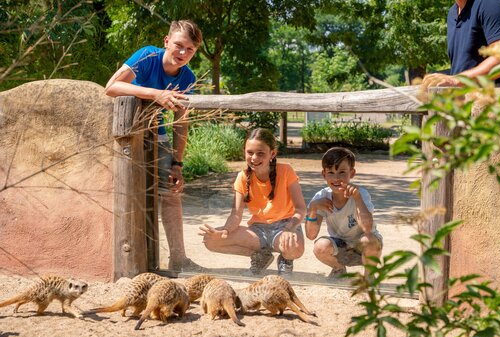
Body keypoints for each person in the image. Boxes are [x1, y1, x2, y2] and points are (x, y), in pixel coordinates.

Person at [105, 20, 204, 271]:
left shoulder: (187, 77)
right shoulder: (148, 56)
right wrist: (155, 94)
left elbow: (182, 124)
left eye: (190, 50)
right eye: (179, 46)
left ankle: (178, 258)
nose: (182, 53)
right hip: (125, 132)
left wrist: (178, 164)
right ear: (166, 41)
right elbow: (111, 87)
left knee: (171, 192)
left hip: (156, 135)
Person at [198, 128, 306, 275]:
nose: (254, 158)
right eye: (250, 153)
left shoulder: (286, 171)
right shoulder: (242, 177)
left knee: (294, 247)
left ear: (272, 154)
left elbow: (300, 209)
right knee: (210, 240)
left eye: (260, 153)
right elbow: (236, 214)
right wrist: (224, 231)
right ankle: (261, 257)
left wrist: (289, 229)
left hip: (285, 226)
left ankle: (286, 260)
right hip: (258, 231)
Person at [305, 147, 382, 278]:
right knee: (320, 246)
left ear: (351, 173)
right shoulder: (321, 197)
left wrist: (357, 199)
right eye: (331, 173)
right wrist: (312, 209)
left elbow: (367, 228)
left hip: (363, 246)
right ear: (324, 174)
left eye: (342, 172)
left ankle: (369, 274)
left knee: (369, 240)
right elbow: (311, 235)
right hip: (340, 246)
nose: (336, 178)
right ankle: (339, 268)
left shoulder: (361, 194)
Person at [422, 0, 500, 88]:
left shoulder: (492, 4)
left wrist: (456, 80)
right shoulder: (452, 12)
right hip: (465, 101)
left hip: (496, 100)